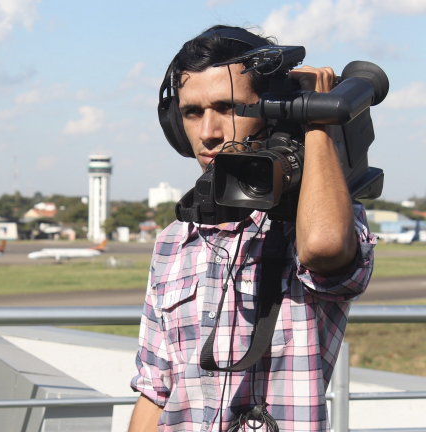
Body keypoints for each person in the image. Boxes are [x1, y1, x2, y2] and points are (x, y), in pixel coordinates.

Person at [128, 26, 375, 432]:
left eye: (228, 108)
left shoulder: (313, 223)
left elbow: (325, 247)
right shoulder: (173, 241)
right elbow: (156, 390)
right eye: (192, 112)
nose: (208, 133)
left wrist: (315, 118)